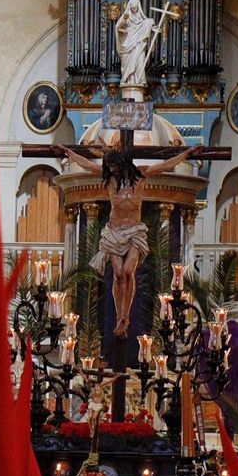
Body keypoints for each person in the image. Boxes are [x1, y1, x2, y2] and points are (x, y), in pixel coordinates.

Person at [56, 143, 201, 337]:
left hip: (135, 233)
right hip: (114, 232)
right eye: (111, 168)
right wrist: (68, 152)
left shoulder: (141, 175)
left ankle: (126, 315)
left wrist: (187, 153)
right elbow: (87, 165)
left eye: (115, 167)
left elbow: (166, 165)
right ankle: (119, 317)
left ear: (123, 164)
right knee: (117, 272)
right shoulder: (110, 179)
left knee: (127, 271)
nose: (113, 171)